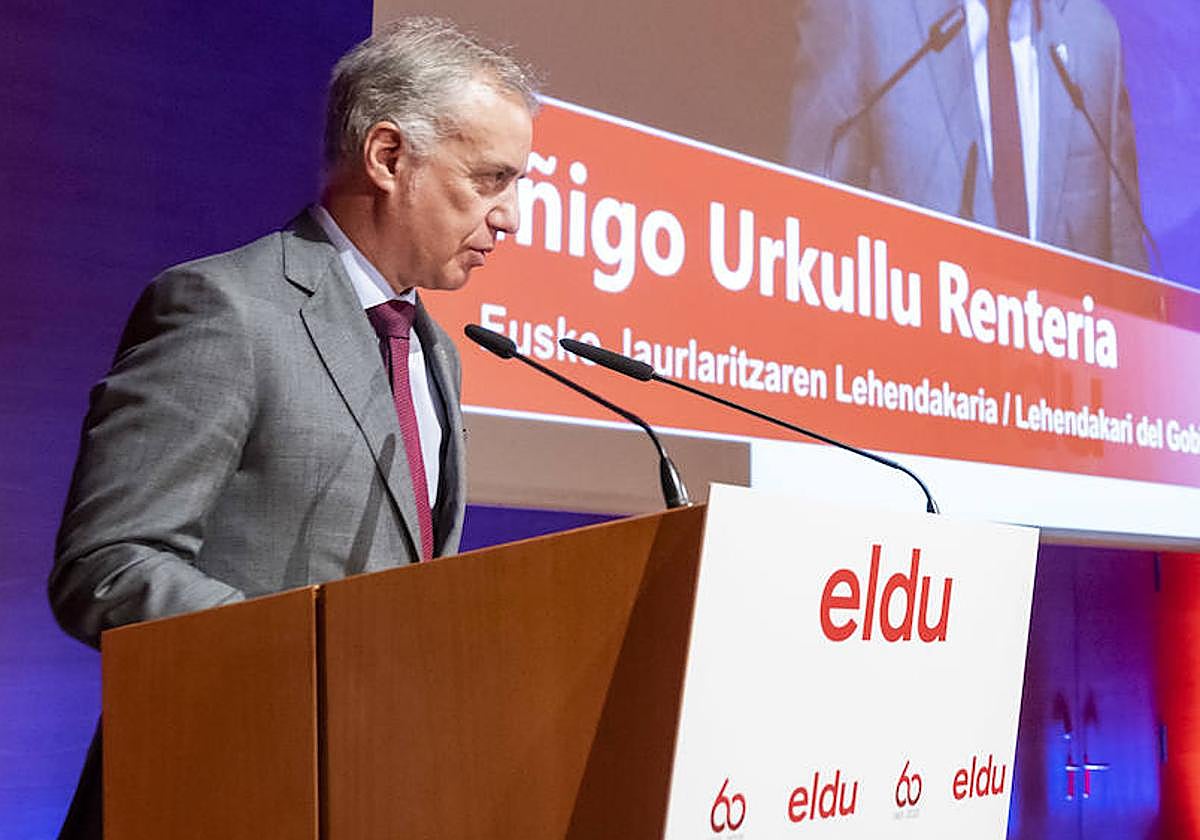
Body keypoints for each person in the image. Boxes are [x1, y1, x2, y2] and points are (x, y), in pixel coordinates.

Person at [47, 17, 536, 838]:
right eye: (490, 179)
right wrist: (311, 652)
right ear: (388, 157)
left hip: (368, 791)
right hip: (213, 789)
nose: (512, 216)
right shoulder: (226, 309)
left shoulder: (436, 352)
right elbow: (106, 565)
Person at [786, 0, 1149, 272]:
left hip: (1059, 370)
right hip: (907, 364)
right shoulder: (860, 11)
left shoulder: (1094, 38)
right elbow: (809, 239)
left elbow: (1127, 275)